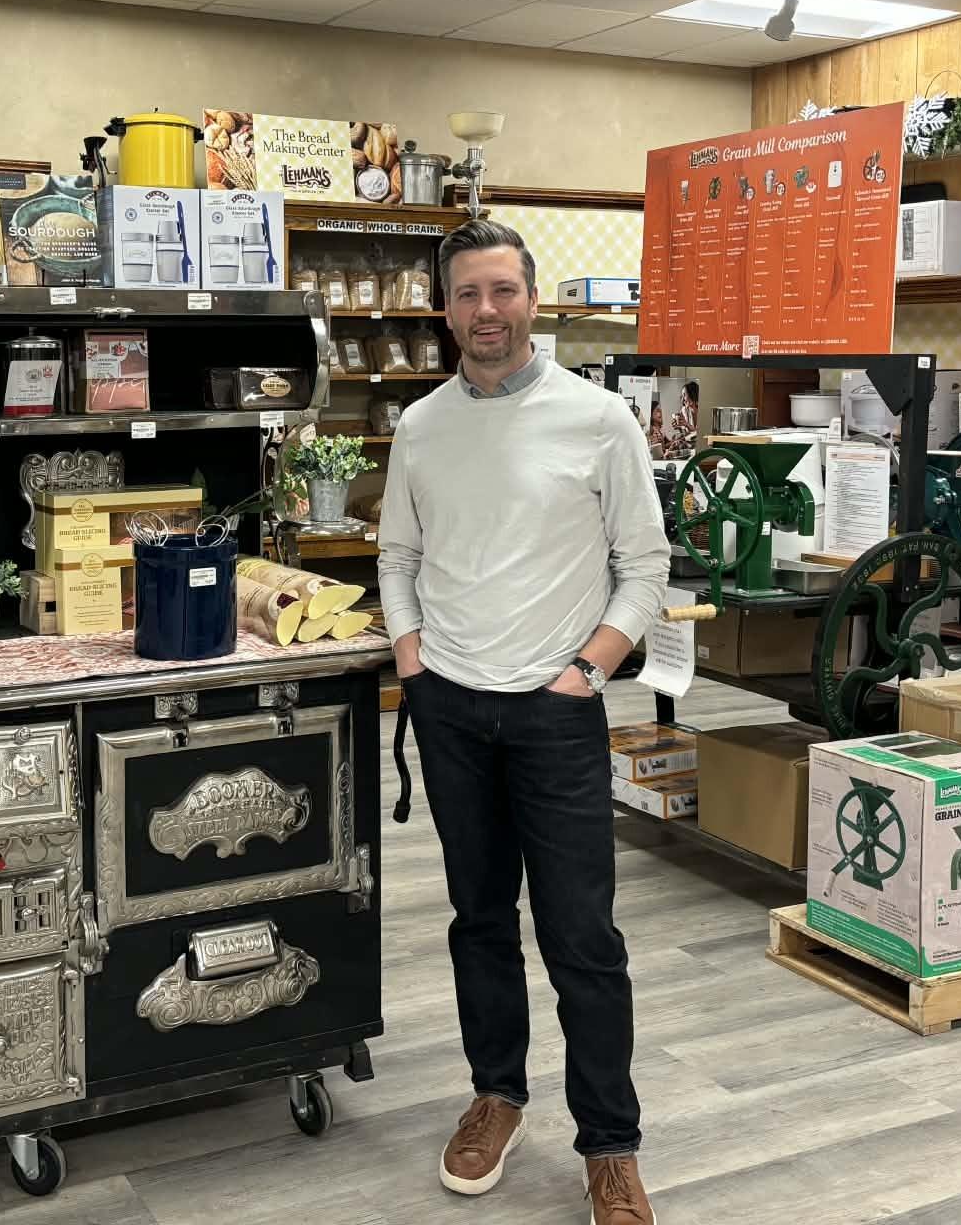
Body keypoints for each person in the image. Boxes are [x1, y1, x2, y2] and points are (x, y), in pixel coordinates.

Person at [379, 219, 670, 1225]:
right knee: (476, 921)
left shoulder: (597, 420)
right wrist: (411, 658)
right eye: (466, 295)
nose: (486, 312)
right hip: (450, 708)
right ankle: (496, 1093)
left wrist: (587, 669)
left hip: (555, 712)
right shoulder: (419, 428)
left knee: (581, 935)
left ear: (530, 298)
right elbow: (396, 556)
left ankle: (609, 1146)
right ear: (444, 307)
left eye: (501, 290)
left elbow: (645, 566)